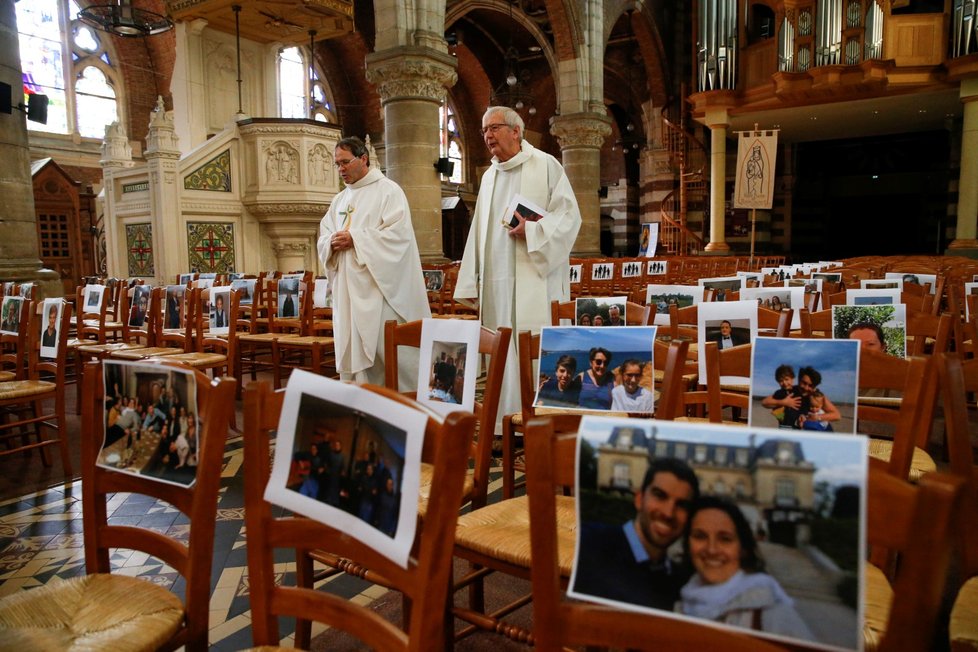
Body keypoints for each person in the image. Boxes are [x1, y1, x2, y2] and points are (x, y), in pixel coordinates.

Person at [454, 106, 582, 432]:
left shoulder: (546, 165)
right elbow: (478, 230)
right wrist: (472, 279)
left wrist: (533, 231)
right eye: (484, 130)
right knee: (501, 345)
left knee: (533, 345)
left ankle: (542, 423)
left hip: (536, 276)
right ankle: (501, 423)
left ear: (516, 131)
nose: (487, 136)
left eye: (494, 128)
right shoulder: (489, 176)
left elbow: (569, 218)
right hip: (497, 281)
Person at [317, 136, 431, 387]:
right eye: (337, 164)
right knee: (355, 349)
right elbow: (324, 234)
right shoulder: (339, 200)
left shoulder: (388, 191)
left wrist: (356, 239)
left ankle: (409, 405)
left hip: (379, 290)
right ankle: (363, 405)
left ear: (364, 159)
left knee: (388, 352)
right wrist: (330, 243)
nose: (341, 169)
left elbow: (398, 237)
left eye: (345, 162)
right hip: (349, 292)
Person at [677, 496, 813, 639]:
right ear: (688, 545)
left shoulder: (774, 615)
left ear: (742, 549)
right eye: (700, 536)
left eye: (725, 539)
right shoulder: (679, 608)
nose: (712, 549)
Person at [573, 458, 700, 610]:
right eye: (660, 495)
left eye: (682, 505)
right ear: (639, 499)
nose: (668, 513)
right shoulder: (586, 543)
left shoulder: (682, 583)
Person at [761, 364, 804, 429]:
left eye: (787, 379)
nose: (784, 383)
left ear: (792, 379)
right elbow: (764, 403)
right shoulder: (779, 393)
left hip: (798, 427)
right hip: (783, 427)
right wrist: (784, 402)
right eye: (781, 381)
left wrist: (803, 415)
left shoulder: (798, 390)